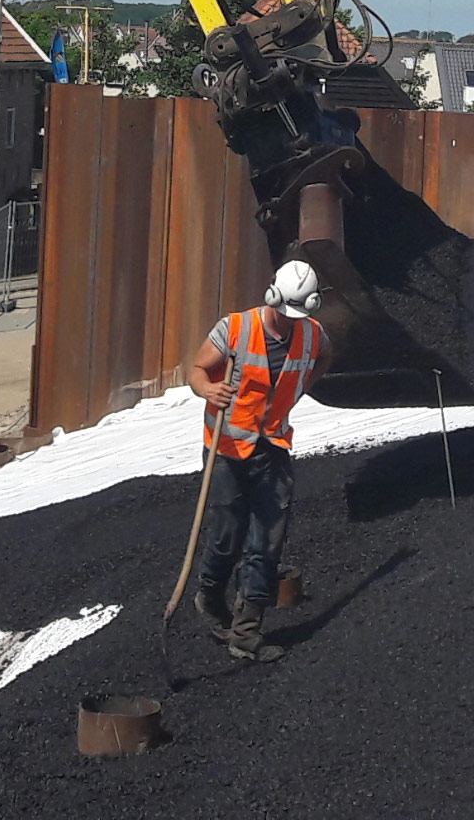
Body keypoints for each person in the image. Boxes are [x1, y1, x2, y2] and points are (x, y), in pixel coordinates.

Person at [184, 258, 329, 660]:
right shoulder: (235, 329)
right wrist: (208, 391)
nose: (288, 322)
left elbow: (323, 360)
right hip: (227, 447)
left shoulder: (312, 335)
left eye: (297, 315)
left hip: (274, 446)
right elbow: (197, 369)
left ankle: (246, 634)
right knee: (227, 534)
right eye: (284, 313)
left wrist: (300, 389)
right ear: (272, 296)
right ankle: (210, 598)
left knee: (266, 540)